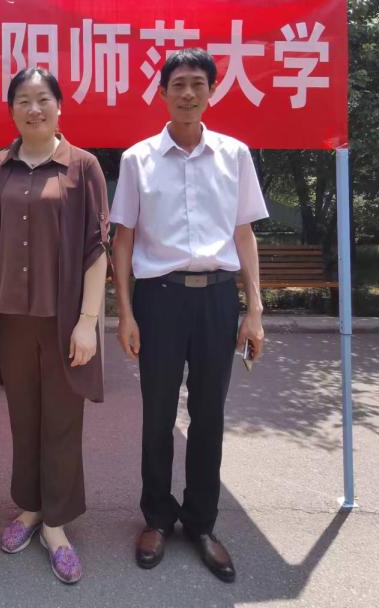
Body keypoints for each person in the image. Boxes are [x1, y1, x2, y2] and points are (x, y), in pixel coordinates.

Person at [110, 49, 268, 582]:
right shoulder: (137, 159)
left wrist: (254, 311)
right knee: (157, 414)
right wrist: (125, 313)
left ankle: (201, 522)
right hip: (159, 299)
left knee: (209, 415)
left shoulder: (234, 155)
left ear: (212, 91)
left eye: (198, 84)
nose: (187, 93)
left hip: (217, 300)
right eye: (177, 84)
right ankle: (157, 517)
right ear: (162, 92)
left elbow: (244, 234)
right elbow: (123, 239)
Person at [0, 66, 109, 585]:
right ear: (11, 110)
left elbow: (97, 248)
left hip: (64, 321)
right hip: (10, 318)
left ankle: (56, 523)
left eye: (43, 99)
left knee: (61, 421)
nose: (33, 109)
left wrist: (88, 322)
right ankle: (30, 507)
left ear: (59, 106)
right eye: (23, 101)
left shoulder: (83, 166)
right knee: (23, 419)